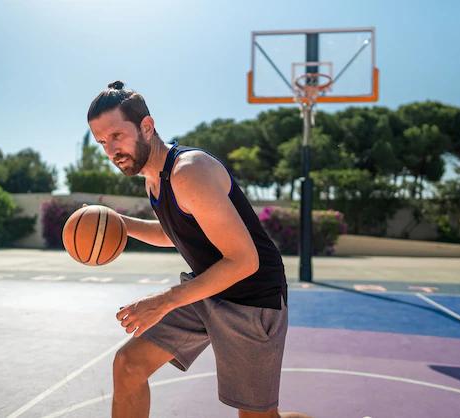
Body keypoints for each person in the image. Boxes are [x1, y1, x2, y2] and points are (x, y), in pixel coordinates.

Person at [88, 81, 309, 418]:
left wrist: (162, 302)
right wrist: (121, 223)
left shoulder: (188, 172)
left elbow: (244, 260)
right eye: (102, 142)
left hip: (251, 299)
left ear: (146, 126)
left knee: (257, 416)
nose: (110, 150)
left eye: (116, 136)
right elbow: (177, 233)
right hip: (209, 288)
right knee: (128, 365)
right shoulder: (154, 179)